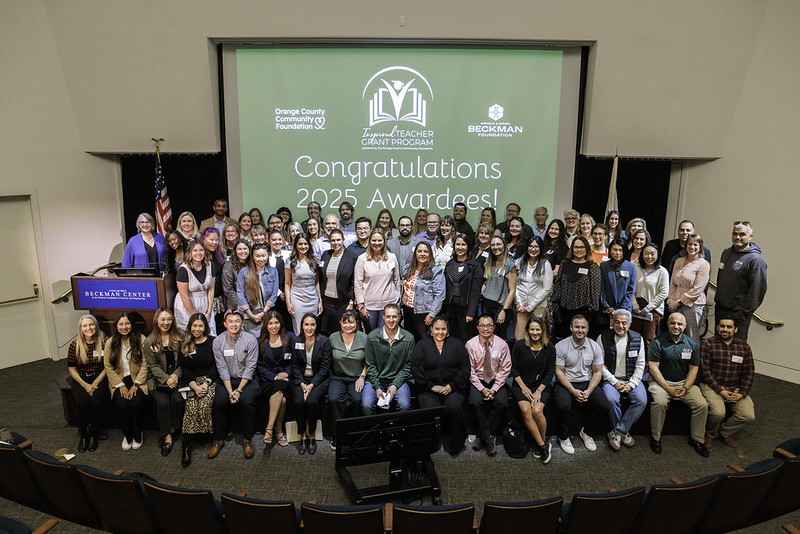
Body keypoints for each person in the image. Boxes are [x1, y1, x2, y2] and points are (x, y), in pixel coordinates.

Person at [647, 312, 710, 457]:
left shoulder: (692, 344)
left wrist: (685, 388)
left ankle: (697, 439)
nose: (676, 326)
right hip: (661, 381)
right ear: (668, 324)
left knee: (702, 405)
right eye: (673, 323)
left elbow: (694, 369)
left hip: (684, 382)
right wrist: (668, 389)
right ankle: (656, 438)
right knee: (660, 403)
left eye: (680, 324)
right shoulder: (657, 342)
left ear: (685, 326)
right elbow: (653, 368)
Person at [553, 315, 612, 454]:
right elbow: (559, 372)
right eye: (577, 327)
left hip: (587, 382)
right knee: (563, 406)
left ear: (587, 329)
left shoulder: (594, 346)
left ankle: (587, 432)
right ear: (571, 328)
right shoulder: (561, 346)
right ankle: (563, 437)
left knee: (604, 406)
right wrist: (573, 391)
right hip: (566, 383)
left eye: (583, 327)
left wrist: (589, 390)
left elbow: (598, 372)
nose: (580, 330)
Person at [411, 317, 470, 454]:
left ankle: (456, 443)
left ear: (447, 330)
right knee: (429, 410)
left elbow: (465, 368)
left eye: (443, 329)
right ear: (431, 330)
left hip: (452, 387)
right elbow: (415, 368)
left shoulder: (457, 345)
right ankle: (430, 443)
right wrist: (431, 386)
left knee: (454, 408)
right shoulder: (422, 345)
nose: (440, 332)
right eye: (437, 328)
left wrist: (452, 386)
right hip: (428, 388)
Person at [209, 309, 261, 459]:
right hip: (227, 380)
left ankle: (248, 439)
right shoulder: (218, 341)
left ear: (242, 323)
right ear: (225, 324)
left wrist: (238, 390)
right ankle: (218, 439)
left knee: (247, 401)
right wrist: (231, 390)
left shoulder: (250, 340)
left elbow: (251, 368)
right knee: (218, 402)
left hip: (247, 380)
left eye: (237, 321)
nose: (234, 324)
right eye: (230, 321)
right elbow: (222, 368)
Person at [700, 316, 755, 449]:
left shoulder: (744, 347)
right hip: (712, 386)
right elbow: (705, 371)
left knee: (748, 415)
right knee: (718, 413)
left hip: (735, 388)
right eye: (722, 326)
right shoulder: (707, 344)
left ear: (735, 329)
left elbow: (749, 373)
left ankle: (724, 432)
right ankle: (710, 435)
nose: (725, 329)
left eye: (729, 327)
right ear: (718, 328)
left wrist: (741, 393)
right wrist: (721, 391)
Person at [599, 309, 646, 451]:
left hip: (631, 378)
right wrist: (614, 382)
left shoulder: (638, 338)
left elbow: (640, 364)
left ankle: (617, 432)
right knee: (611, 400)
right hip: (611, 379)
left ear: (630, 324)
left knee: (641, 400)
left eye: (624, 323)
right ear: (613, 322)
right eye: (617, 322)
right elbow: (599, 365)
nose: (620, 326)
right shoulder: (603, 337)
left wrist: (631, 384)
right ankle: (622, 433)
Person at [511, 316, 555, 463]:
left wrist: (538, 391)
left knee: (536, 410)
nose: (535, 332)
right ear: (527, 331)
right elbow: (514, 370)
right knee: (526, 410)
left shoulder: (550, 348)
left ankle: (541, 440)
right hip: (522, 385)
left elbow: (550, 373)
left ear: (542, 330)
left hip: (541, 387)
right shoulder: (519, 346)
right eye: (532, 329)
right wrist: (523, 388)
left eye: (538, 329)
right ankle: (543, 445)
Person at [465, 314, 511, 456]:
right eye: (483, 326)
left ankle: (482, 436)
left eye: (489, 325)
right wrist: (482, 389)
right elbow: (470, 370)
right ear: (478, 327)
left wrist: (494, 388)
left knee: (502, 402)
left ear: (494, 327)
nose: (486, 328)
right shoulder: (470, 344)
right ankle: (488, 438)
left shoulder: (502, 344)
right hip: (478, 380)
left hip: (495, 380)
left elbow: (506, 368)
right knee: (475, 401)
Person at [714, 221, 767, 341]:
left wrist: (743, 314)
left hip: (738, 314)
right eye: (734, 234)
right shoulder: (726, 252)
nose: (737, 237)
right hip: (721, 310)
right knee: (718, 349)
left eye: (742, 234)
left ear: (750, 236)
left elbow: (757, 291)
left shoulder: (755, 260)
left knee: (736, 351)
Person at [104, 312, 148, 451]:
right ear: (116, 326)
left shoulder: (141, 339)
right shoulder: (110, 342)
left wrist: (136, 385)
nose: (124, 327)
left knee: (135, 403)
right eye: (121, 324)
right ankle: (127, 434)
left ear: (132, 325)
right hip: (119, 381)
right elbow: (108, 367)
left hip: (137, 380)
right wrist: (120, 386)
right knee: (122, 404)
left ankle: (137, 432)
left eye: (127, 323)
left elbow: (145, 365)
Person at [144, 307, 185, 457]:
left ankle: (174, 426)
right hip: (158, 379)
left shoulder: (181, 335)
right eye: (162, 319)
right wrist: (166, 379)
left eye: (169, 319)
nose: (166, 323)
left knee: (177, 399)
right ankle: (167, 435)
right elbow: (152, 365)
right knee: (163, 403)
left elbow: (184, 359)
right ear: (156, 320)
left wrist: (174, 376)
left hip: (177, 376)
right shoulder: (150, 341)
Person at [178, 313, 217, 468]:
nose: (197, 329)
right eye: (194, 325)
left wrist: (206, 383)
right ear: (190, 327)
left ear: (205, 327)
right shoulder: (185, 344)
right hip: (191, 381)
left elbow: (216, 366)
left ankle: (203, 434)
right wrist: (194, 385)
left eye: (200, 325)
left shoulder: (213, 342)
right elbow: (185, 369)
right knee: (191, 405)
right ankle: (186, 446)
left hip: (210, 380)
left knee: (206, 401)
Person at [362, 304, 415, 415]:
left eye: (394, 317)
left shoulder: (409, 338)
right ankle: (374, 432)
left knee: (404, 405)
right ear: (383, 317)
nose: (391, 320)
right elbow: (370, 365)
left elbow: (408, 366)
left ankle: (399, 431)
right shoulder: (372, 337)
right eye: (388, 316)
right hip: (375, 380)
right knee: (366, 405)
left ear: (399, 317)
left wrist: (395, 385)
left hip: (397, 380)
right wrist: (376, 387)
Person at [67, 315, 109, 453]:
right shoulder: (74, 345)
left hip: (101, 377)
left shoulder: (105, 341)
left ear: (95, 326)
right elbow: (72, 369)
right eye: (85, 326)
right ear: (80, 328)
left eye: (91, 325)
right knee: (83, 402)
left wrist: (95, 383)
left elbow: (108, 366)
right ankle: (83, 434)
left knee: (96, 401)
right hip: (81, 379)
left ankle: (94, 434)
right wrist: (85, 385)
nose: (88, 328)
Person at [290, 314, 331, 455]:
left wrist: (311, 385)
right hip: (300, 379)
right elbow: (294, 366)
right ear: (302, 326)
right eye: (306, 324)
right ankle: (302, 434)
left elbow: (325, 368)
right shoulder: (296, 340)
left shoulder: (324, 341)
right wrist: (302, 384)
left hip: (318, 379)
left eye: (312, 324)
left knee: (312, 401)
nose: (309, 328)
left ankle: (312, 434)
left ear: (316, 326)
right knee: (299, 401)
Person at [327, 310, 368, 450]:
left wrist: (362, 377)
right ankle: (336, 435)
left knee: (357, 399)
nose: (348, 325)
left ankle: (353, 434)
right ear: (340, 323)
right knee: (333, 399)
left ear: (357, 323)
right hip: (338, 376)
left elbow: (369, 361)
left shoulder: (364, 338)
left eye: (351, 322)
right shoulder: (333, 337)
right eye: (345, 322)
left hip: (357, 377)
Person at [549, 236, 601, 340]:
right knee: (565, 340)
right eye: (576, 247)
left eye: (582, 247)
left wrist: (592, 307)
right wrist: (555, 301)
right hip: (564, 310)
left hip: (584, 310)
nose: (579, 250)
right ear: (572, 248)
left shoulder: (592, 266)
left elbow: (596, 289)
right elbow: (558, 283)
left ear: (586, 248)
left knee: (580, 340)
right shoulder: (565, 263)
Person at [256, 311, 293, 448]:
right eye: (270, 323)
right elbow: (258, 366)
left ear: (281, 323)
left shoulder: (290, 338)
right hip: (268, 380)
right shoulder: (260, 342)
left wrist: (287, 373)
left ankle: (269, 429)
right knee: (281, 398)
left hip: (286, 379)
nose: (274, 326)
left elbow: (295, 362)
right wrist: (274, 376)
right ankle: (278, 431)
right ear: (266, 325)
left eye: (276, 322)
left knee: (280, 389)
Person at [354, 228, 401, 332]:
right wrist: (361, 306)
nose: (377, 243)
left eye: (380, 240)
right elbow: (357, 284)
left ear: (384, 241)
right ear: (369, 241)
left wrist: (398, 302)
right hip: (369, 306)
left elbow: (397, 280)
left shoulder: (392, 257)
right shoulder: (362, 259)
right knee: (371, 336)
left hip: (389, 305)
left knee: (385, 335)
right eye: (374, 240)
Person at [667, 233, 710, 342]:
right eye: (690, 244)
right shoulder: (679, 261)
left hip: (693, 305)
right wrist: (671, 300)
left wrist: (680, 302)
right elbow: (672, 283)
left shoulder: (703, 264)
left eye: (695, 244)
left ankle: (692, 359)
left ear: (700, 247)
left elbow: (698, 289)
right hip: (675, 304)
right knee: (675, 335)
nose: (692, 247)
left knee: (691, 337)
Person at [401, 241, 445, 342]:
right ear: (415, 253)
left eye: (426, 251)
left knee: (425, 340)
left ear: (430, 254)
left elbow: (439, 296)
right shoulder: (407, 268)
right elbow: (404, 289)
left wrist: (432, 315)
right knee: (410, 338)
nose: (422, 254)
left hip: (424, 313)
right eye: (419, 251)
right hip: (407, 310)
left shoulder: (436, 271)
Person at [444, 234, 484, 343]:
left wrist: (471, 312)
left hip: (466, 308)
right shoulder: (449, 264)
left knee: (465, 337)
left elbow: (475, 291)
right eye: (458, 244)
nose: (460, 248)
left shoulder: (474, 266)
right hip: (451, 308)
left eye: (463, 245)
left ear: (468, 247)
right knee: (450, 336)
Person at [236, 242, 279, 337]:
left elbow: (274, 294)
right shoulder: (244, 272)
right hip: (250, 314)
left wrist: (263, 313)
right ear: (252, 256)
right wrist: (251, 315)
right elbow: (240, 293)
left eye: (263, 255)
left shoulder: (273, 271)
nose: (261, 259)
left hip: (267, 314)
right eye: (257, 256)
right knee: (253, 342)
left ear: (268, 255)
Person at [514, 236, 553, 340]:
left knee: (535, 336)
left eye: (536, 246)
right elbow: (515, 285)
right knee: (520, 337)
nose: (533, 249)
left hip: (538, 306)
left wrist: (531, 306)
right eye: (530, 246)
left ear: (540, 248)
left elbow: (547, 288)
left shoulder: (545, 264)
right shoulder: (519, 261)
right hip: (521, 306)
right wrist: (519, 303)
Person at [319, 229, 357, 335]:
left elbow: (355, 282)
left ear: (343, 240)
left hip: (343, 303)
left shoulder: (351, 257)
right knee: (326, 331)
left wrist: (351, 302)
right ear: (330, 241)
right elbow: (322, 278)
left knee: (342, 332)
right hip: (327, 302)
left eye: (338, 240)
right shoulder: (325, 255)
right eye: (333, 240)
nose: (336, 243)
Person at [631, 243, 669, 347]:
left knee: (649, 339)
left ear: (657, 255)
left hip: (653, 310)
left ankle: (649, 363)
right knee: (634, 337)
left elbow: (663, 293)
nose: (649, 257)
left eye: (652, 254)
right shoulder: (635, 268)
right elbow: (630, 288)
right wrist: (634, 305)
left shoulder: (662, 271)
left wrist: (648, 308)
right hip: (636, 309)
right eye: (646, 253)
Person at [174, 239, 215, 335]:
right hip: (187, 306)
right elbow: (184, 297)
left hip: (205, 304)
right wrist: (196, 317)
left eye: (201, 250)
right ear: (189, 252)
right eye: (195, 250)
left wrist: (208, 313)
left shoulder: (210, 266)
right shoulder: (183, 270)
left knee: (208, 334)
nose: (199, 253)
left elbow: (211, 290)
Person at [285, 233, 322, 332]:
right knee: (299, 327)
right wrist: (288, 302)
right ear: (296, 245)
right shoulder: (290, 261)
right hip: (297, 298)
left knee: (312, 327)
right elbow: (287, 284)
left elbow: (317, 282)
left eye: (305, 244)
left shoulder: (315, 261)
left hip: (312, 298)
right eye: (300, 244)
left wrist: (320, 300)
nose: (303, 246)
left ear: (309, 245)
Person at [481, 235, 517, 331]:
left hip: (500, 307)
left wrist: (503, 311)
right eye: (493, 245)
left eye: (498, 244)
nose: (496, 247)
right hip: (486, 304)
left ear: (504, 246)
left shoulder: (510, 265)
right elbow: (487, 282)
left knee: (499, 337)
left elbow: (512, 291)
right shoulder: (488, 262)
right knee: (486, 333)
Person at [599, 239, 637, 328]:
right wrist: (607, 307)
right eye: (615, 250)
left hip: (624, 310)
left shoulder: (631, 267)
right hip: (606, 310)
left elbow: (631, 290)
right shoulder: (603, 266)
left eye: (621, 250)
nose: (618, 253)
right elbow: (601, 288)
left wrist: (620, 309)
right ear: (610, 250)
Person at [200, 227, 225, 333]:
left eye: (216, 240)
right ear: (203, 239)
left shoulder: (218, 254)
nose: (214, 242)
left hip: (219, 300)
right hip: (204, 301)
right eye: (211, 239)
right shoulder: (198, 255)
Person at [221, 239, 250, 312]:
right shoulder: (228, 266)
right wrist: (243, 305)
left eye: (245, 249)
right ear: (235, 251)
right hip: (236, 306)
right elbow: (228, 290)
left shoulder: (253, 264)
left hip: (253, 304)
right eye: (239, 249)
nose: (243, 251)